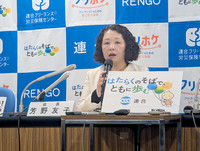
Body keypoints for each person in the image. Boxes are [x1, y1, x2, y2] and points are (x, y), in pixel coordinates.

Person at [75, 24, 148, 112]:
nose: (111, 47)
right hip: (100, 125)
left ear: (127, 46)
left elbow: (147, 107)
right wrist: (97, 94)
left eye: (117, 42)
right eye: (106, 43)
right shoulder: (92, 74)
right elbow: (80, 109)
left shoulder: (141, 72)